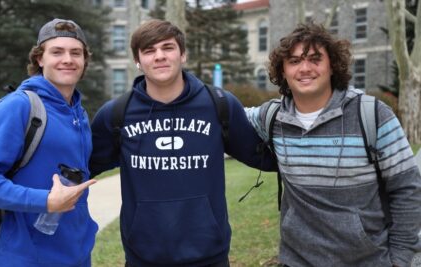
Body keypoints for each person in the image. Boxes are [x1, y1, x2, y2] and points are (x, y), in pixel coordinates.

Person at [90, 19, 275, 267]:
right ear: (138, 61)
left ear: (183, 54)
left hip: (209, 255)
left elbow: (260, 155)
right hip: (143, 257)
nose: (159, 56)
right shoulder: (115, 114)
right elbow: (83, 166)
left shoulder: (218, 104)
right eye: (149, 51)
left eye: (168, 47)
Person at [246, 22, 421, 267]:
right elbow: (224, 115)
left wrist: (400, 259)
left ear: (332, 66)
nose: (304, 68)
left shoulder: (373, 114)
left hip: (368, 261)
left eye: (315, 59)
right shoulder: (273, 118)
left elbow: (408, 189)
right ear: (283, 70)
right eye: (294, 61)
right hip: (296, 260)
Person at [0, 18, 97, 267]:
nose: (68, 59)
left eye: (75, 52)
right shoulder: (19, 106)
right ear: (39, 59)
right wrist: (45, 201)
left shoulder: (79, 113)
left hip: (77, 254)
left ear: (84, 60)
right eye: (57, 52)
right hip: (26, 257)